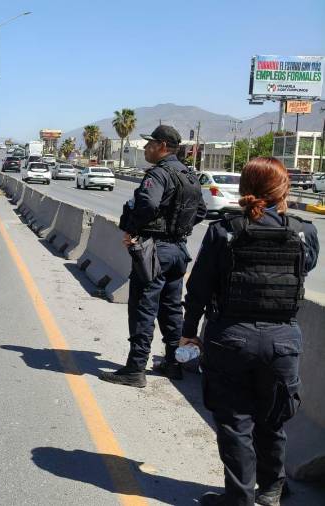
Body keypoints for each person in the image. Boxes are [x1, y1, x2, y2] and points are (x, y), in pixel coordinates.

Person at [181, 158, 318, 506]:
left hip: (230, 339)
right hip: (283, 342)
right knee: (273, 421)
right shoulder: (304, 231)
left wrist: (188, 333)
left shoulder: (224, 230)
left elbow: (198, 288)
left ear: (246, 188)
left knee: (235, 424)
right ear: (283, 189)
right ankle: (272, 490)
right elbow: (307, 266)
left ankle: (239, 499)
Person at [100, 125, 206, 388]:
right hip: (178, 251)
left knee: (143, 309)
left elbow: (147, 204)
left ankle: (135, 369)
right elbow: (201, 211)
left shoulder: (158, 175)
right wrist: (178, 229)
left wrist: (134, 231)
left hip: (155, 251)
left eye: (149, 144)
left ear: (161, 146)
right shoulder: (188, 175)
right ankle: (174, 363)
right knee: (171, 309)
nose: (146, 148)